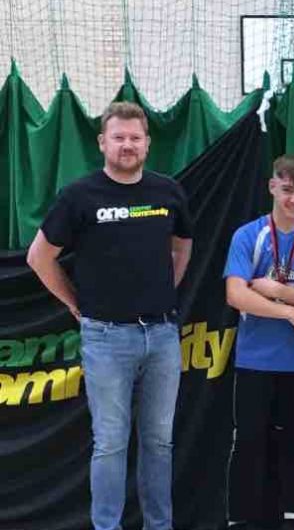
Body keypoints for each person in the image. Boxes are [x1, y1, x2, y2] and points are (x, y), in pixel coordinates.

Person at [27, 101, 194, 530]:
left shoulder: (168, 192)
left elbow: (183, 245)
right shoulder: (79, 196)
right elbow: (39, 257)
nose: (127, 145)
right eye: (118, 137)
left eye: (135, 138)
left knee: (159, 442)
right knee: (111, 444)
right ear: (102, 142)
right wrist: (73, 302)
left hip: (161, 336)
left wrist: (164, 289)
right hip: (105, 339)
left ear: (147, 144)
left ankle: (160, 526)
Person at [223, 154, 294, 530]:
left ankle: (293, 518)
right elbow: (237, 295)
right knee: (249, 442)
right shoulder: (248, 235)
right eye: (287, 190)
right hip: (253, 360)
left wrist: (274, 290)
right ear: (272, 187)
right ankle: (241, 519)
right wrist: (290, 311)